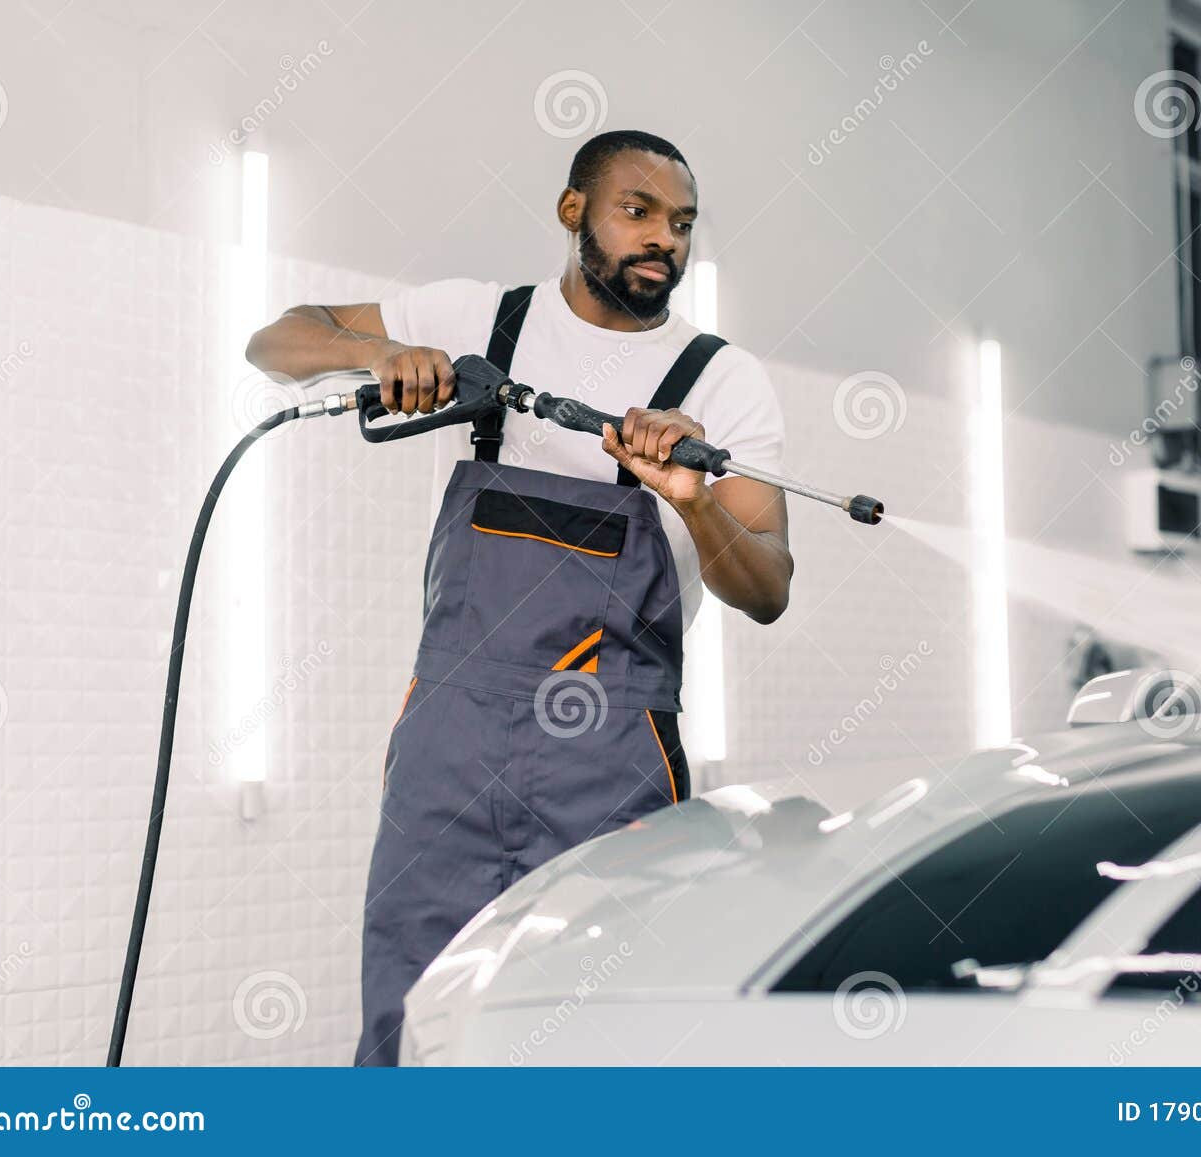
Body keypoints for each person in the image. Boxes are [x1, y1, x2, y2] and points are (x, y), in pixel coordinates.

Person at [245, 128, 793, 1065]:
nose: (664, 237)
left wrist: (693, 503)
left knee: (604, 1029)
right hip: (449, 739)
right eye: (639, 211)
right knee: (410, 1016)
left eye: (683, 223)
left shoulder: (722, 380)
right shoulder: (482, 316)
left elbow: (768, 586)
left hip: (612, 755)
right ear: (573, 211)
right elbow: (275, 339)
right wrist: (389, 351)